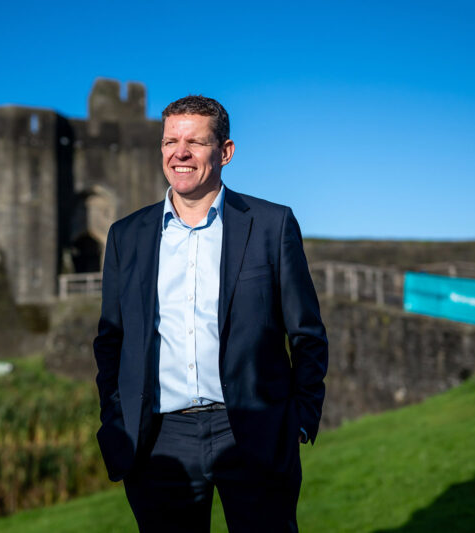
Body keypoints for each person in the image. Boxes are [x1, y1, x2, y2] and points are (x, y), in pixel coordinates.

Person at [93, 95, 328, 532]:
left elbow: (307, 333)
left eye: (194, 142)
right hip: (160, 441)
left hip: (253, 430)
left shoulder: (271, 224)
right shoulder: (127, 235)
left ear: (225, 152)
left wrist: (298, 420)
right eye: (170, 141)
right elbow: (112, 340)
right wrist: (116, 421)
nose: (179, 153)